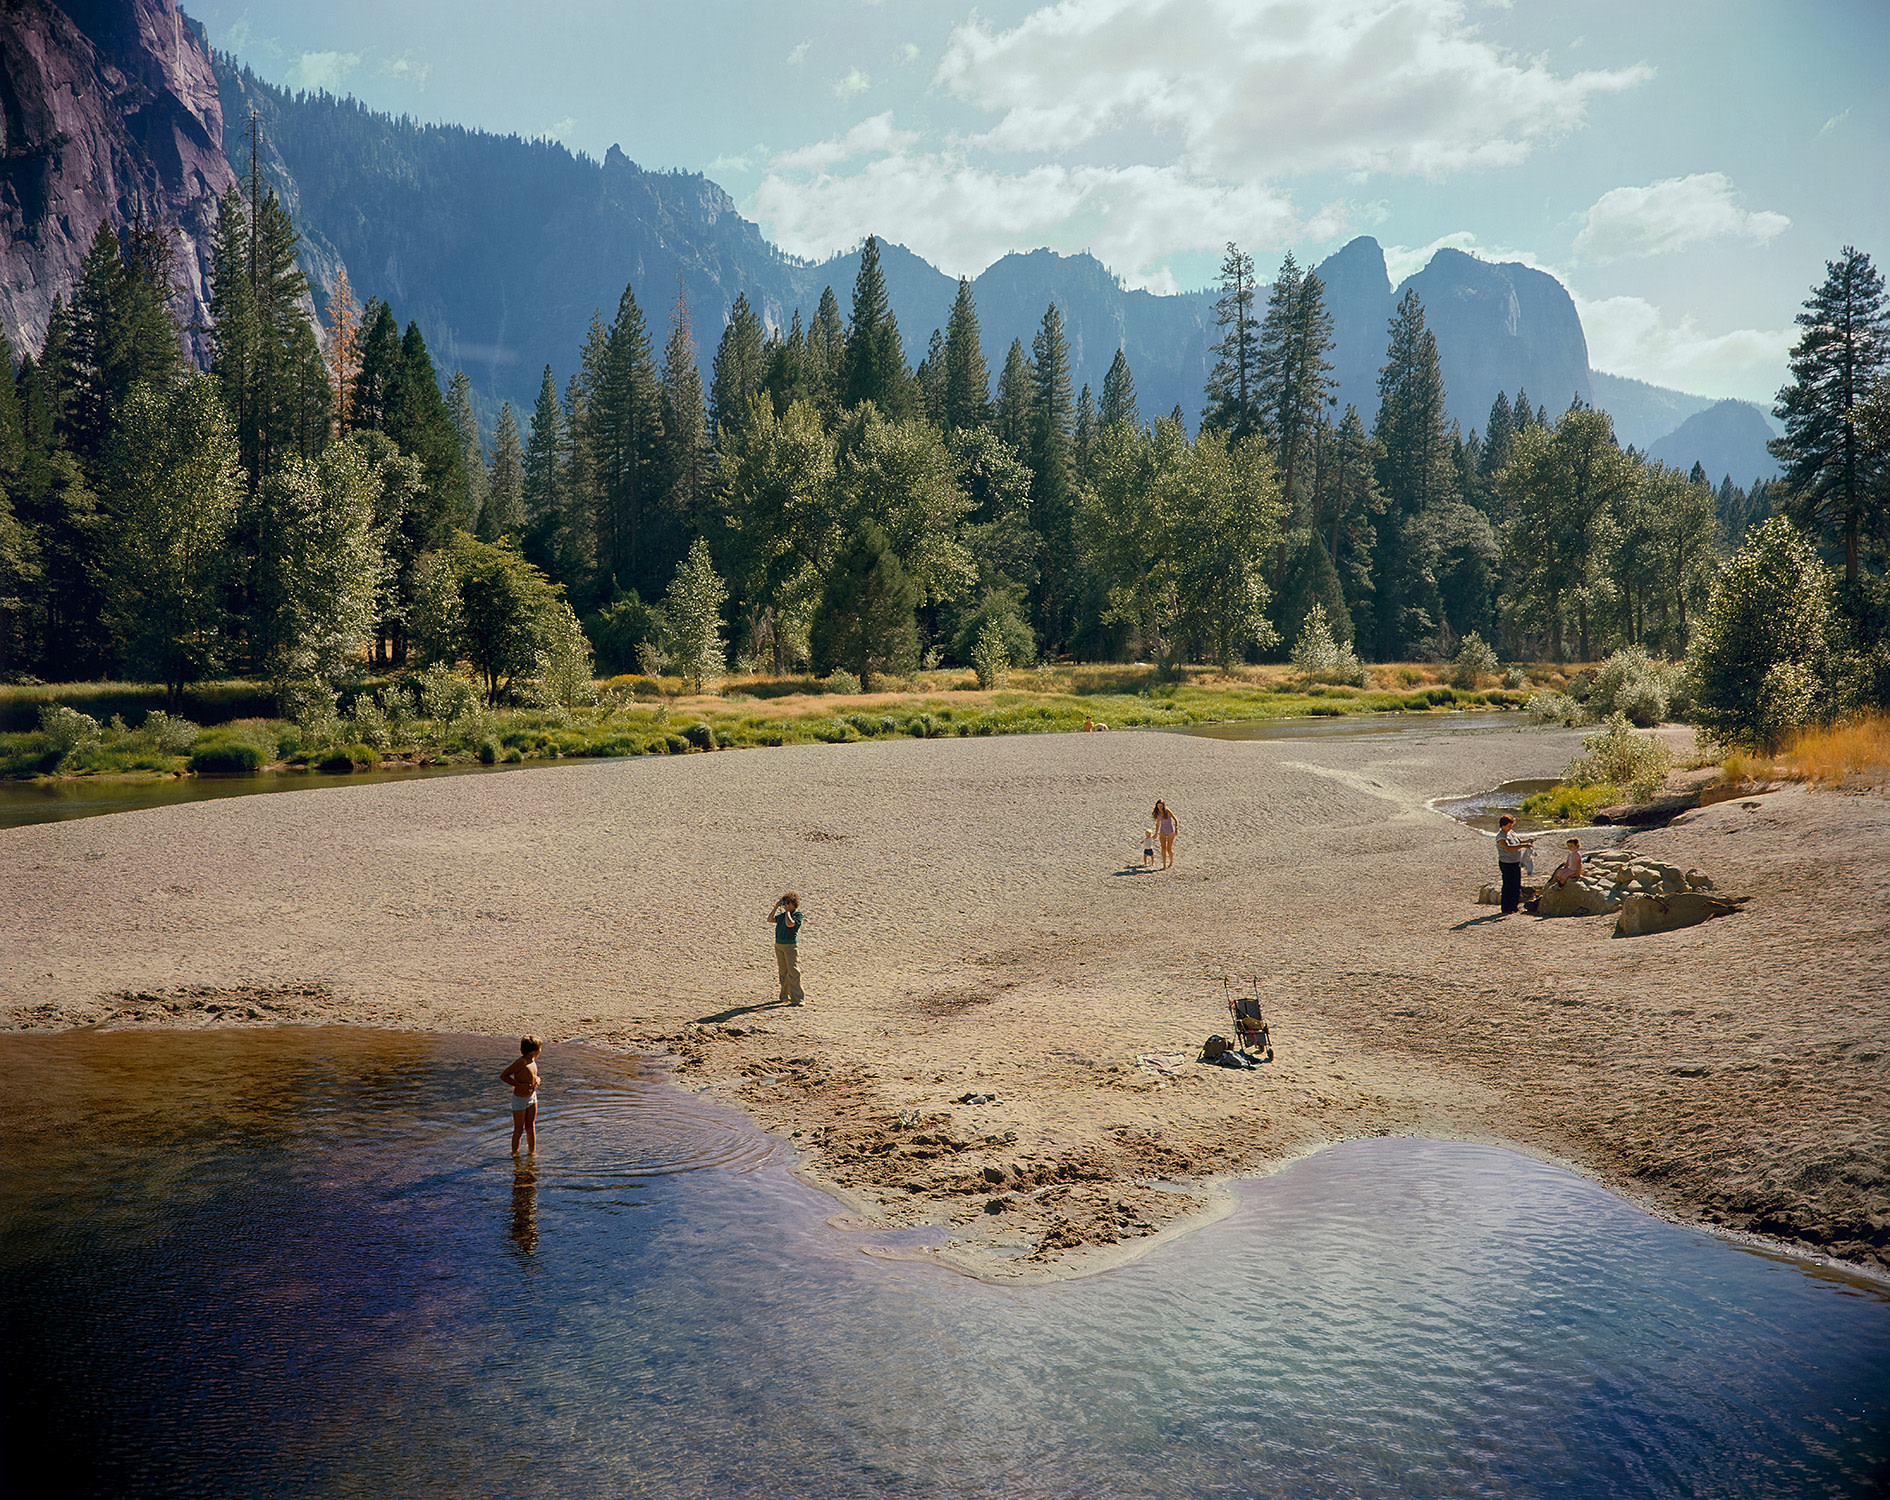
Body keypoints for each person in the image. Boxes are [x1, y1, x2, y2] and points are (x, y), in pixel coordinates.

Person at [501, 1035, 541, 1155]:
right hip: (520, 1099)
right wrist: (518, 1085)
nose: (540, 1051)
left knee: (530, 1126)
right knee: (519, 1129)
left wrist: (538, 1081)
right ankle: (515, 1155)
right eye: (539, 1048)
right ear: (533, 1051)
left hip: (532, 1097)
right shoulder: (521, 1062)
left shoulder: (532, 1061)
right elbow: (504, 1076)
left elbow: (535, 1077)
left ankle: (532, 1153)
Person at [769, 892, 806, 1005]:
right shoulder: (782, 915)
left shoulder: (797, 915)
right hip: (779, 945)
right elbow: (770, 919)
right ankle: (784, 996)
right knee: (783, 971)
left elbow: (790, 924)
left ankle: (798, 998)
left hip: (790, 946)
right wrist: (776, 907)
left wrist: (787, 912)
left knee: (793, 971)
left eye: (788, 903)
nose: (786, 905)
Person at [1496, 815, 1534, 914]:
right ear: (1503, 825)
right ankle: (1506, 907)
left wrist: (1528, 841)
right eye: (1509, 826)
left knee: (1516, 884)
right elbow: (1508, 848)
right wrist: (1523, 845)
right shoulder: (1501, 837)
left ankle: (1514, 906)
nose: (1510, 827)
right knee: (1508, 885)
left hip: (1516, 862)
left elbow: (1519, 841)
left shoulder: (1511, 833)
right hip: (1506, 863)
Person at [1152, 800, 1180, 870]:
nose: (1160, 807)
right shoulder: (1158, 813)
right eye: (1158, 806)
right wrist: (1156, 833)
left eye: (1161, 806)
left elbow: (1175, 819)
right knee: (1163, 848)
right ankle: (1164, 864)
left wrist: (1176, 828)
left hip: (1170, 831)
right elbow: (1158, 823)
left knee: (1169, 848)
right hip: (1162, 831)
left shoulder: (1167, 811)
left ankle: (1171, 862)